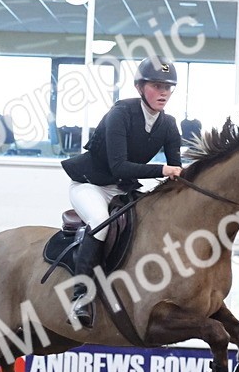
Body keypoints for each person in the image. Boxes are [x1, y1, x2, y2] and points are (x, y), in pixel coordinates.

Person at [60, 56, 184, 328]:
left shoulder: (169, 124)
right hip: (91, 185)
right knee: (100, 224)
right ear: (140, 87)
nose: (163, 92)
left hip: (123, 190)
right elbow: (120, 166)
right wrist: (163, 170)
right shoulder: (120, 114)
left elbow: (177, 171)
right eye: (156, 86)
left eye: (168, 87)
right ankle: (80, 296)